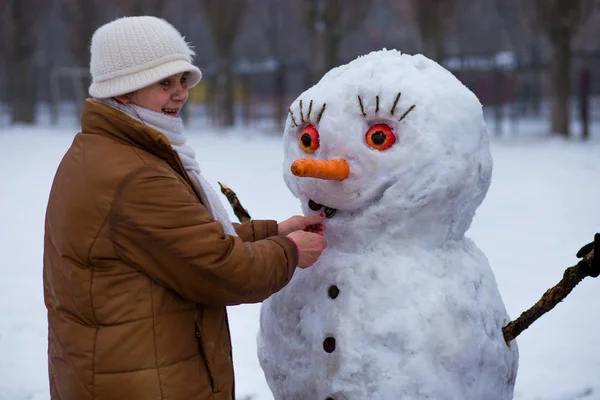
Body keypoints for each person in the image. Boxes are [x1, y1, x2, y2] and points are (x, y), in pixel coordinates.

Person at [43, 16, 327, 400]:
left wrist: (271, 232)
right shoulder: (135, 175)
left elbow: (177, 242)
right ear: (124, 90)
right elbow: (221, 270)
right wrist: (290, 252)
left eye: (182, 81)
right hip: (144, 381)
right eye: (164, 83)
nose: (180, 94)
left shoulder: (106, 151)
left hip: (119, 370)